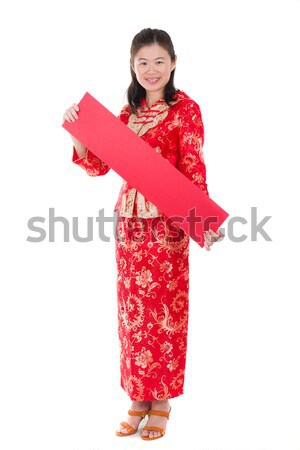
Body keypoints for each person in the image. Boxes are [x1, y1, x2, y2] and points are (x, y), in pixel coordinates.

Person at [63, 27, 223, 441]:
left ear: (173, 63)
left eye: (159, 61)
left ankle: (162, 400)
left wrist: (201, 221)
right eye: (142, 62)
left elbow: (194, 165)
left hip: (167, 226)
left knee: (164, 311)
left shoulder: (185, 110)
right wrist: (79, 132)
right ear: (132, 67)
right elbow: (97, 166)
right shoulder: (127, 113)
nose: (151, 70)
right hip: (130, 228)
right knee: (132, 313)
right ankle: (138, 395)